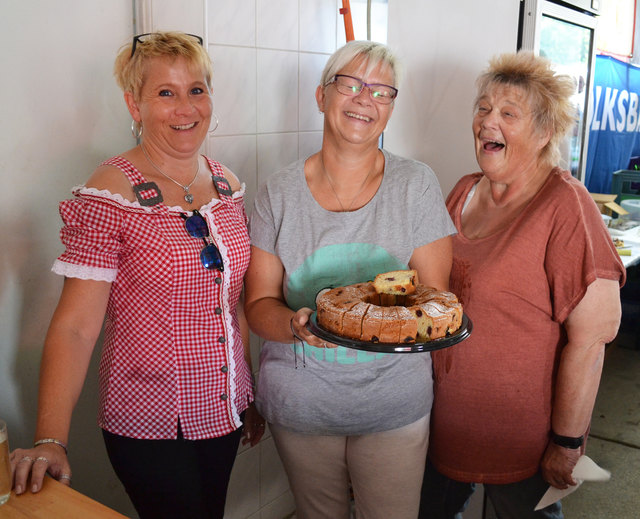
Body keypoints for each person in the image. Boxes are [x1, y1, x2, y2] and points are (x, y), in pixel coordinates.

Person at [9, 31, 264, 519]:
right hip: (148, 420)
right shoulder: (112, 191)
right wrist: (49, 439)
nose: (186, 107)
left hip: (223, 410)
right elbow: (75, 327)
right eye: (165, 93)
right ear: (135, 104)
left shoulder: (226, 184)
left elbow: (231, 302)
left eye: (197, 89)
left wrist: (246, 393)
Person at [244, 40, 456, 519]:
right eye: (351, 84)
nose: (365, 99)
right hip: (301, 402)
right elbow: (258, 303)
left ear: (391, 109)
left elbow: (435, 301)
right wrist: (295, 326)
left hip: (394, 404)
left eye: (382, 91)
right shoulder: (277, 192)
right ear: (322, 96)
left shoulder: (415, 184)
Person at [419, 52, 626, 519]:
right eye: (483, 108)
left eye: (508, 114)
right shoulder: (462, 191)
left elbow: (592, 339)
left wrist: (567, 443)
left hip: (523, 440)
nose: (488, 121)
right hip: (443, 424)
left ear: (544, 132)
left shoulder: (564, 205)